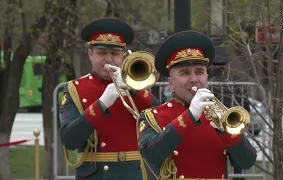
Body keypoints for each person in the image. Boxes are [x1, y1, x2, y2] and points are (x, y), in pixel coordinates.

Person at [137, 30, 257, 180]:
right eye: (185, 73)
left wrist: (225, 132)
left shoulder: (221, 116)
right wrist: (190, 116)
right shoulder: (152, 117)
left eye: (199, 72)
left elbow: (247, 162)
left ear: (207, 76)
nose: (194, 79)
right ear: (170, 82)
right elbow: (151, 154)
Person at [59, 18, 159, 180]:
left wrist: (132, 89)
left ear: (123, 56)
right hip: (98, 174)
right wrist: (102, 103)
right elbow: (70, 140)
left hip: (137, 173)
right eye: (102, 53)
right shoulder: (74, 89)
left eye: (114, 54)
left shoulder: (137, 88)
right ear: (90, 54)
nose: (108, 59)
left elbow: (159, 122)